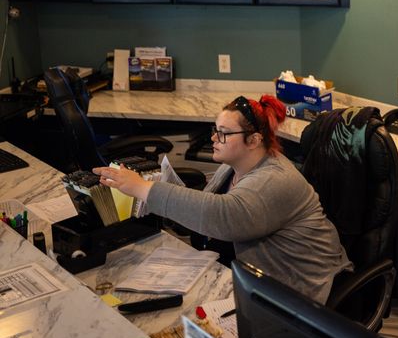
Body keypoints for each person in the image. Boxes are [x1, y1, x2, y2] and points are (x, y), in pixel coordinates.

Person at [92, 94, 352, 304]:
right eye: (215, 130)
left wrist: (144, 189)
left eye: (224, 133)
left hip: (299, 289)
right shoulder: (233, 166)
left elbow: (224, 217)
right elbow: (209, 208)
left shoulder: (276, 179)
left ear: (254, 140)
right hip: (251, 277)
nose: (214, 139)